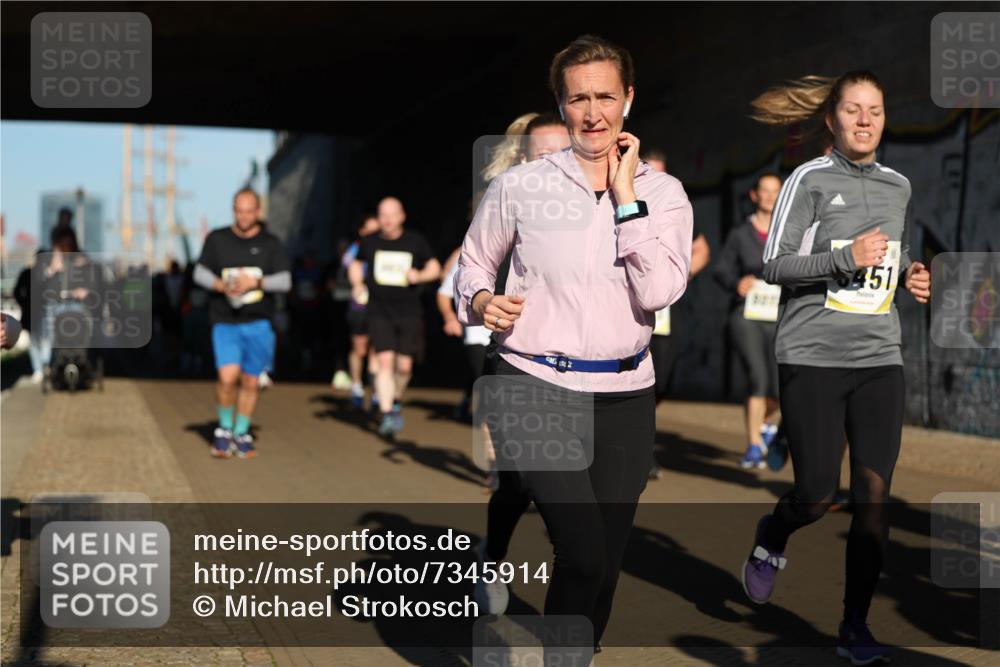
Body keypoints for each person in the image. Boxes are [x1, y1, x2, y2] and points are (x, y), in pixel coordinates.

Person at [456, 35, 692, 649]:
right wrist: (483, 301)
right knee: (582, 554)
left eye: (606, 97)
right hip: (533, 383)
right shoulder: (522, 187)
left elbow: (661, 290)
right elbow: (472, 267)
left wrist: (625, 200)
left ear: (629, 100)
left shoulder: (663, 195)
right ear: (561, 105)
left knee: (606, 567)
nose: (593, 113)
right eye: (579, 98)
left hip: (625, 394)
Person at [740, 71, 931, 664]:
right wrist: (845, 257)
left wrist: (911, 276)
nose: (865, 120)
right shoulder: (808, 179)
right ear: (833, 119)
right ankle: (774, 535)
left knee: (873, 499)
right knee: (817, 496)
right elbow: (774, 264)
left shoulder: (899, 185)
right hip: (812, 356)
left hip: (879, 358)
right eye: (853, 110)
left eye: (875, 110)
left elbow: (888, 263)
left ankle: (854, 626)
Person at [193, 188, 291, 459]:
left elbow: (285, 281)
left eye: (249, 211)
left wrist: (256, 282)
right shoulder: (217, 239)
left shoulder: (271, 243)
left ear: (258, 212)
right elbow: (199, 272)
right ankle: (224, 429)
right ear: (233, 210)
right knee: (227, 378)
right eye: (239, 210)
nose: (244, 216)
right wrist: (220, 285)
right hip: (225, 320)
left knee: (250, 381)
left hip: (259, 322)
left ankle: (242, 431)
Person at [640, 150, 711, 479]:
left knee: (662, 380)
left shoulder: (674, 206)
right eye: (648, 172)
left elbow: (702, 248)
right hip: (629, 310)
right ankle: (639, 449)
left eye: (660, 174)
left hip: (666, 313)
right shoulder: (622, 204)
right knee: (633, 380)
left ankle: (638, 439)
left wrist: (677, 277)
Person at [349, 197, 441, 437]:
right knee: (385, 362)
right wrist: (357, 284)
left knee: (404, 366)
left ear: (402, 216)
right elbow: (355, 265)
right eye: (382, 215)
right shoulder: (369, 242)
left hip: (409, 311)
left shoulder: (415, 241)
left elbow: (435, 268)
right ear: (378, 218)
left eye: (392, 215)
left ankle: (395, 399)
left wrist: (419, 276)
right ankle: (388, 413)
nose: (387, 220)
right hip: (379, 311)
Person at [713, 173, 783, 469]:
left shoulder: (789, 233)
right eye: (764, 191)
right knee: (758, 378)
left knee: (782, 387)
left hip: (780, 314)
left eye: (775, 192)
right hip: (747, 316)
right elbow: (721, 270)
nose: (769, 196)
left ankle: (767, 424)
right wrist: (736, 283)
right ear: (754, 195)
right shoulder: (740, 235)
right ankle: (754, 444)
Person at [337, 214, 381, 409]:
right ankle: (356, 386)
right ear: (362, 232)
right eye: (370, 231)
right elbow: (348, 265)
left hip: (381, 305)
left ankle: (377, 391)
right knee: (359, 348)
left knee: (378, 349)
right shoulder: (355, 250)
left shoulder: (385, 247)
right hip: (360, 305)